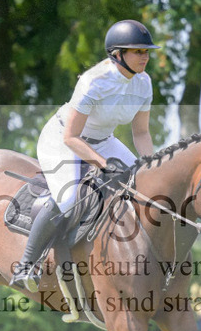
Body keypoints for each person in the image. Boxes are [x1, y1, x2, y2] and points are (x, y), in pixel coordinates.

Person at [10, 19, 160, 291]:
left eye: (147, 51)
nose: (145, 57)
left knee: (145, 185)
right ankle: (26, 265)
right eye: (138, 51)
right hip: (62, 139)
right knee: (67, 198)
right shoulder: (94, 81)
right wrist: (103, 165)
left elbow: (141, 133)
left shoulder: (144, 83)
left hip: (104, 140)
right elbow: (71, 137)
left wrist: (152, 166)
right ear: (117, 54)